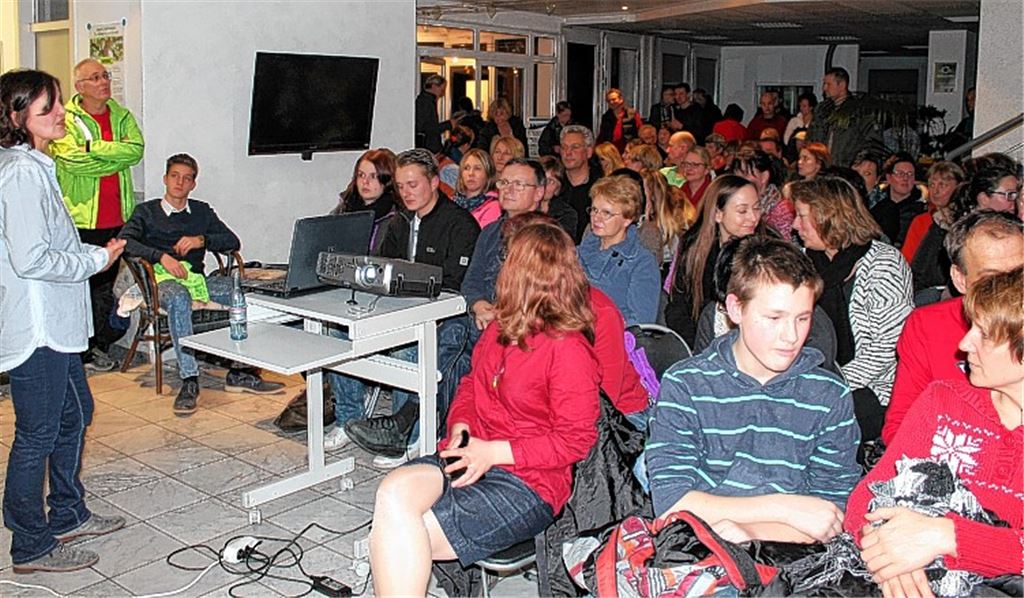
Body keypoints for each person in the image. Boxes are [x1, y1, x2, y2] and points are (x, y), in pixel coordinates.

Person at [367, 221, 601, 597]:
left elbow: (576, 441)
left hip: (528, 482)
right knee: (393, 493)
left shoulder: (568, 349)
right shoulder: (500, 327)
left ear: (526, 273)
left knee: (399, 536)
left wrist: (493, 452)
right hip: (472, 452)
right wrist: (460, 426)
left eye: (508, 260)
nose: (501, 268)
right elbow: (471, 386)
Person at [647, 235, 860, 543]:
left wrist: (750, 532)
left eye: (803, 318)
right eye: (774, 318)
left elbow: (832, 513)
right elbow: (671, 503)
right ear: (735, 309)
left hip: (791, 555)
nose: (791, 336)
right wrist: (786, 508)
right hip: (703, 549)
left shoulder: (828, 396)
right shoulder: (687, 385)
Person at [1, 68, 127, 573]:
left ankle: (69, 512)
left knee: (74, 415)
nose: (61, 114)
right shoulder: (21, 172)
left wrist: (89, 251)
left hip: (55, 321)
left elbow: (49, 242)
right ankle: (30, 543)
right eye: (48, 107)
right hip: (37, 328)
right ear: (17, 117)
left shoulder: (33, 164)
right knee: (38, 432)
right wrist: (94, 262)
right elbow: (33, 259)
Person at [844, 266, 1024, 594]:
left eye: (983, 334)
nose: (965, 343)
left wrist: (945, 536)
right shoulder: (944, 401)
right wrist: (890, 557)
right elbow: (865, 499)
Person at [333, 149, 481, 466]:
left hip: (440, 316)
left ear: (435, 182)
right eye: (400, 186)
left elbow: (455, 285)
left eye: (413, 184)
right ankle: (349, 419)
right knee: (338, 331)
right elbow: (383, 268)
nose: (405, 192)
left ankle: (406, 437)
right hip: (397, 310)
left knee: (405, 346)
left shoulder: (460, 225)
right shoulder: (401, 222)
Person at [119, 153, 285, 415]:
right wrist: (161, 256)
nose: (179, 183)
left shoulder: (201, 211)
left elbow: (232, 241)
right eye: (174, 176)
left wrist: (202, 241)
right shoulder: (147, 212)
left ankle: (241, 370)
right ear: (165, 179)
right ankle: (189, 379)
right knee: (178, 297)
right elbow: (126, 242)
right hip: (160, 282)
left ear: (193, 184)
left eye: (186, 178)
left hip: (197, 280)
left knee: (243, 293)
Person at [790, 176, 913, 444]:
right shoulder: (802, 262)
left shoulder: (883, 264)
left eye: (801, 216)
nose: (794, 225)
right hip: (812, 377)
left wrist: (830, 384)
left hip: (873, 388)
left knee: (803, 422)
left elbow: (886, 348)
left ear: (828, 217)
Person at [883, 210, 1023, 445]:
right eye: (992, 279)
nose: (1010, 289)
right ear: (959, 279)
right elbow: (902, 426)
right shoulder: (928, 326)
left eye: (1019, 274)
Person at [50, 58, 144, 372]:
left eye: (105, 76)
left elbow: (135, 151)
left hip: (116, 218)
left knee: (104, 288)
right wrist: (111, 154)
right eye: (95, 77)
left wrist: (93, 148)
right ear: (80, 86)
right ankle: (76, 349)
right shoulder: (65, 117)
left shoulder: (121, 115)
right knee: (80, 287)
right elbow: (73, 161)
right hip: (80, 220)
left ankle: (96, 346)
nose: (104, 82)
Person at [665, 175, 765, 347]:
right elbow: (678, 307)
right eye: (742, 211)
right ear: (718, 214)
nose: (753, 218)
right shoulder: (695, 248)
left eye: (756, 209)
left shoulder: (766, 251)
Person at [578, 175, 660, 326]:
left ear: (627, 219)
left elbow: (641, 321)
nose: (596, 218)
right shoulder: (575, 254)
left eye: (606, 213)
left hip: (617, 338)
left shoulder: (642, 261)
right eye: (594, 210)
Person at [902, 161, 965, 299]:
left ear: (958, 187)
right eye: (931, 185)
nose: (935, 191)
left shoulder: (965, 220)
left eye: (942, 185)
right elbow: (908, 261)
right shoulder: (921, 221)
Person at [807, 67, 884, 168]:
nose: (824, 88)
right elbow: (811, 137)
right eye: (824, 84)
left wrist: (858, 164)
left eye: (828, 84)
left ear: (842, 85)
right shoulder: (821, 110)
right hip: (822, 167)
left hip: (846, 168)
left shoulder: (859, 111)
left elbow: (872, 143)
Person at [330, 148, 397, 253]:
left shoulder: (396, 220)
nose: (365, 182)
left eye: (373, 176)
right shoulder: (341, 211)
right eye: (361, 175)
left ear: (387, 181)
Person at [869, 153, 925, 249]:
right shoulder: (876, 205)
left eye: (910, 174)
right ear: (889, 177)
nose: (905, 178)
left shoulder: (920, 212)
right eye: (900, 174)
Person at [559, 125, 603, 244]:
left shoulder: (602, 188)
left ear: (589, 152)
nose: (568, 153)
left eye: (575, 147)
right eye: (564, 147)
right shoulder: (553, 187)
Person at [451, 148, 500, 229]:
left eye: (477, 168)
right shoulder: (452, 201)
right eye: (466, 168)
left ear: (488, 174)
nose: (471, 173)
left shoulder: (494, 207)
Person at [538, 155, 578, 239]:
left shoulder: (566, 214)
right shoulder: (521, 206)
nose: (544, 185)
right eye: (542, 179)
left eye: (551, 181)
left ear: (558, 188)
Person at [414, 74, 453, 154]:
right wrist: (447, 124)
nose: (443, 93)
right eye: (442, 89)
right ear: (434, 86)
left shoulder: (426, 101)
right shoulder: (426, 102)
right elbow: (426, 127)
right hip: (429, 147)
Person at [597, 88, 643, 153]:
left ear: (621, 99)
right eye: (609, 101)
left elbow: (641, 131)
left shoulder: (632, 114)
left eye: (613, 99)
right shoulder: (606, 117)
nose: (611, 102)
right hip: (612, 152)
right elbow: (602, 136)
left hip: (630, 150)